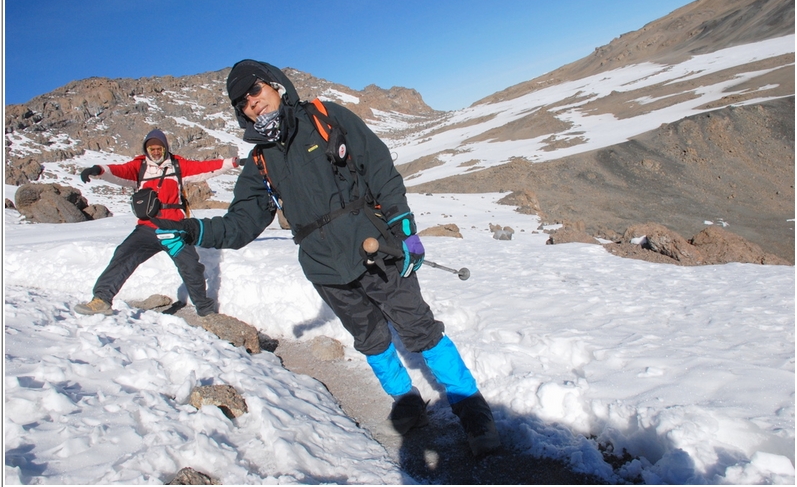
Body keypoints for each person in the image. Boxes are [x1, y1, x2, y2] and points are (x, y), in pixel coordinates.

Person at [152, 60, 501, 456]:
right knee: (369, 338)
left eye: (255, 92)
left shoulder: (324, 117)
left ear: (275, 86)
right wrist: (194, 230)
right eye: (243, 103)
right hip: (325, 267)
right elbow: (242, 223)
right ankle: (406, 401)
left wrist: (404, 226)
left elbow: (379, 165)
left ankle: (473, 412)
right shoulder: (261, 161)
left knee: (418, 327)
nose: (252, 104)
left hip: (376, 247)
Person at [74, 128, 244, 317]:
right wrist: (98, 170)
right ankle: (101, 299)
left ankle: (204, 309)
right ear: (146, 150)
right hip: (147, 228)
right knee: (123, 256)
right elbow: (118, 171)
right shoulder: (139, 168)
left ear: (165, 148)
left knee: (191, 267)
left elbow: (205, 168)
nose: (155, 152)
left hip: (174, 229)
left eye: (159, 149)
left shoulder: (178, 166)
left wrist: (233, 162)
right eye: (152, 148)